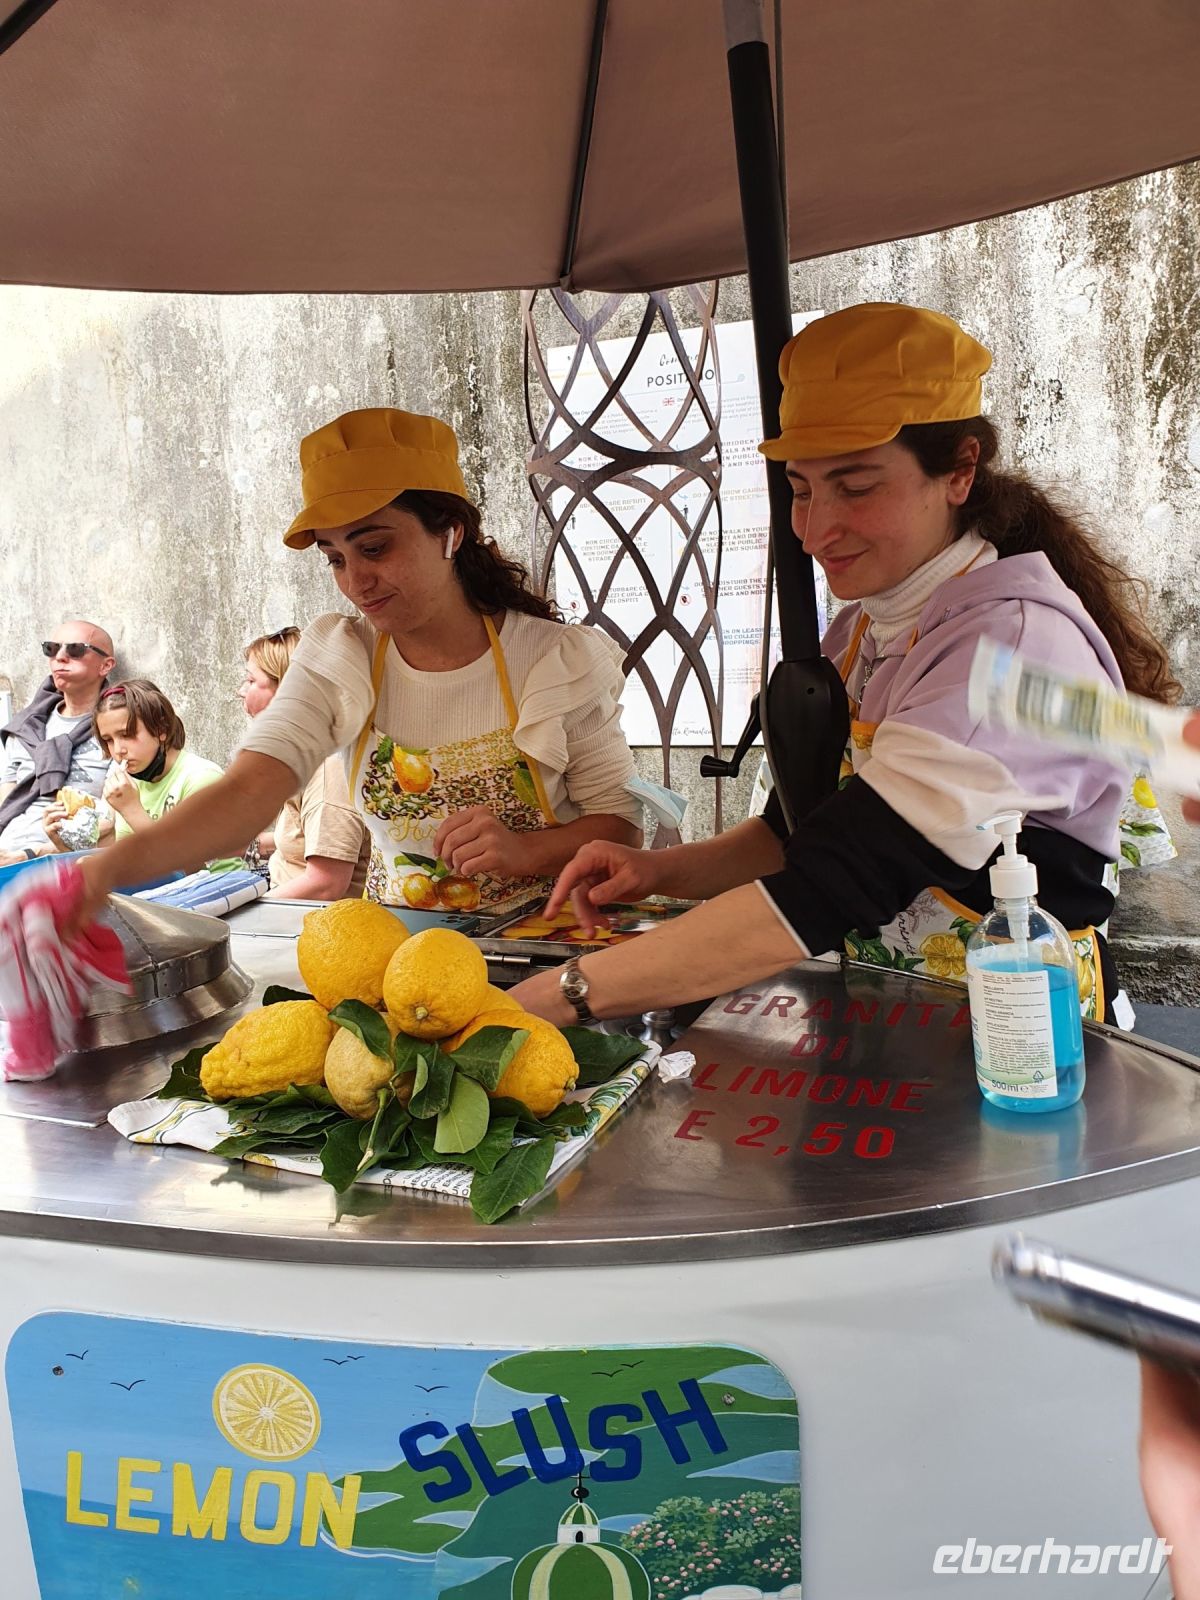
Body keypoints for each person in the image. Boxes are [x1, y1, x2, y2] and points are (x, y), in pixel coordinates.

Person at [506, 302, 1178, 1029]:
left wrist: (562, 995)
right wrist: (658, 872)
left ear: (959, 472)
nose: (817, 529)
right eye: (801, 490)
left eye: (856, 487)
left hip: (1024, 1041)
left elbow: (832, 883)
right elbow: (794, 833)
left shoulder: (1012, 652)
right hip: (897, 1021)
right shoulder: (865, 627)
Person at [68, 407, 644, 923]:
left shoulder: (553, 660)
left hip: (546, 939)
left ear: (450, 533)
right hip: (396, 952)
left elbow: (621, 827)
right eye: (335, 558)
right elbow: (248, 791)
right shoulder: (341, 655)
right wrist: (100, 876)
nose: (355, 582)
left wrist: (529, 851)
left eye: (374, 548)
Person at [44, 680, 239, 870]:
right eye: (108, 740)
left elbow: (192, 868)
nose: (118, 750)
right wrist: (64, 844)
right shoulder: (129, 781)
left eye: (127, 734)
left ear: (161, 729)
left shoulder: (201, 778)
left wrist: (132, 810)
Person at [239, 626, 370, 900]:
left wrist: (247, 913)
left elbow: (326, 883)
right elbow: (311, 840)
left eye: (251, 681)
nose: (242, 691)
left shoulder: (327, 770)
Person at [0, 622, 115, 866]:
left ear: (105, 665)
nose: (60, 657)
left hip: (63, 859)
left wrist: (30, 854)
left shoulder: (117, 730)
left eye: (75, 650)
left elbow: (115, 822)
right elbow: (4, 804)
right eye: (51, 649)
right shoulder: (26, 728)